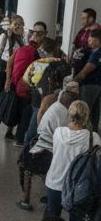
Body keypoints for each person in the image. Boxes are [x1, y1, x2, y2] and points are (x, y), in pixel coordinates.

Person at [44, 99, 99, 221]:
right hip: (78, 188)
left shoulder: (58, 132)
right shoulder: (92, 138)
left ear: (69, 114)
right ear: (86, 116)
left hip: (54, 182)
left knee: (52, 217)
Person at [19, 79, 77, 211]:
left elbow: (41, 123)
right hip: (51, 151)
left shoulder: (54, 107)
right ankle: (51, 197)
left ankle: (25, 200)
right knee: (49, 177)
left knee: (28, 170)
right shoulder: (67, 115)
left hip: (39, 147)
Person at [0, 16, 25, 135]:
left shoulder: (23, 39)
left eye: (20, 24)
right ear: (11, 25)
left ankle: (10, 131)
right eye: (15, 24)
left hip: (16, 69)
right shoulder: (5, 36)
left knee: (14, 99)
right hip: (2, 69)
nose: (18, 27)